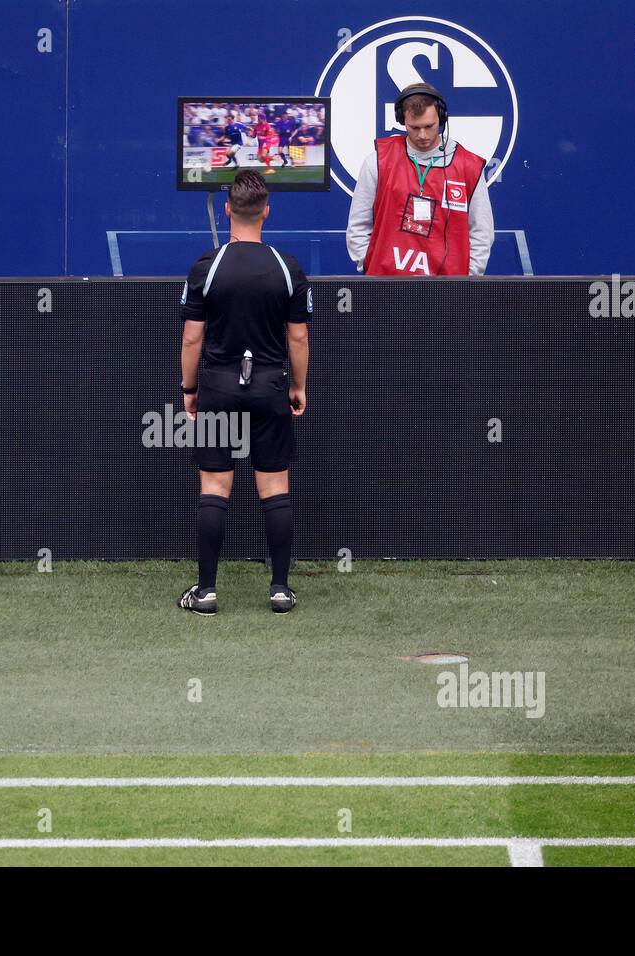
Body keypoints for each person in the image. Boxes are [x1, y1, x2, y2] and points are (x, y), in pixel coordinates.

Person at [177, 170, 311, 615]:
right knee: (274, 487)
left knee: (215, 485)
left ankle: (206, 591)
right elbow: (298, 339)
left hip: (218, 386)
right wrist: (298, 386)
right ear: (267, 212)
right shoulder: (287, 267)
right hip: (270, 386)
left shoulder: (206, 265)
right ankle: (279, 589)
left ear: (229, 210)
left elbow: (192, 340)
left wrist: (189, 389)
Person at [345, 82, 494, 276]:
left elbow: (481, 232)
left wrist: (467, 279)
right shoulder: (378, 161)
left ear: (441, 118)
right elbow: (358, 225)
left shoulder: (468, 167)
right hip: (386, 286)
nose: (422, 135)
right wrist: (369, 267)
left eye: (429, 126)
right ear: (401, 120)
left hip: (448, 290)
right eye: (414, 127)